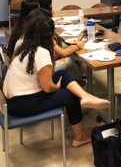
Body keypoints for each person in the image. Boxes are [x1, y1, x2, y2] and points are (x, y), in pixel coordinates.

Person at [3, 11, 110, 147]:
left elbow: (41, 72)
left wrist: (57, 81)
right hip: (22, 104)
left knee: (63, 74)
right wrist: (57, 86)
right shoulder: (42, 53)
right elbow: (47, 88)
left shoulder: (23, 43)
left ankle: (85, 96)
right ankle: (79, 137)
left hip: (13, 100)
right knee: (70, 96)